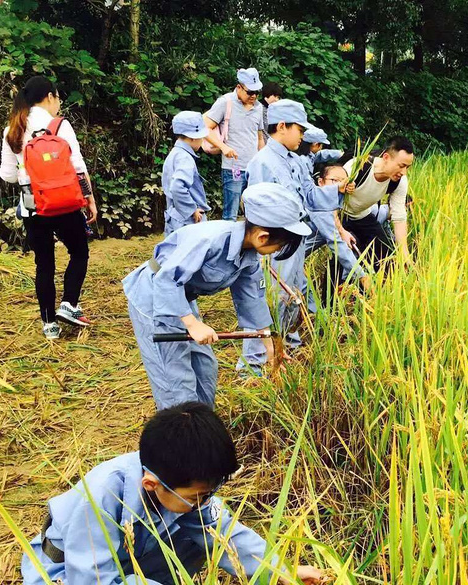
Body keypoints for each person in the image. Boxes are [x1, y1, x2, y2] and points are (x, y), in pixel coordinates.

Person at [20, 401, 325, 584]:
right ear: (151, 484)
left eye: (209, 494)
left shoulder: (180, 479)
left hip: (133, 554)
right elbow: (91, 578)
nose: (204, 503)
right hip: (69, 571)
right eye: (197, 497)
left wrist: (280, 571)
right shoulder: (101, 497)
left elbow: (224, 533)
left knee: (204, 539)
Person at [123, 183, 310, 410]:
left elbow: (252, 299)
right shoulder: (210, 239)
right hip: (154, 296)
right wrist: (192, 323)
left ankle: (202, 425)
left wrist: (271, 348)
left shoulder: (248, 254)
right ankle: (183, 430)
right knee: (175, 378)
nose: (278, 252)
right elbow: (167, 279)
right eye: (279, 246)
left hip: (182, 298)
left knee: (205, 367)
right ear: (263, 237)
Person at [237, 100, 353, 375]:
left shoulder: (296, 161)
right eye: (299, 129)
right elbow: (257, 211)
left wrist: (338, 191)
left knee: (295, 294)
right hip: (275, 243)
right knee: (272, 298)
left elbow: (311, 197)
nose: (302, 136)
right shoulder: (262, 163)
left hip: (296, 238)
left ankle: (288, 347)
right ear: (281, 127)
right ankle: (252, 368)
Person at [0, 76, 98, 340]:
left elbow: (7, 175)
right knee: (79, 253)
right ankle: (69, 304)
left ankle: (49, 325)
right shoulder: (60, 126)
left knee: (44, 264)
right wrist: (89, 200)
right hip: (64, 203)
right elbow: (78, 168)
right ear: (50, 97)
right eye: (58, 98)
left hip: (33, 206)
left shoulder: (12, 129)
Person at [341, 136, 415, 271]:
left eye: (407, 167)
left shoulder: (400, 182)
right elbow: (330, 197)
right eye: (401, 166)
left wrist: (404, 255)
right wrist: (339, 230)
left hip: (361, 216)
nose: (404, 172)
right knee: (343, 256)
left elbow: (399, 217)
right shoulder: (358, 166)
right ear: (386, 157)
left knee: (387, 259)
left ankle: (374, 290)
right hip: (337, 216)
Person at [203, 68, 265, 221]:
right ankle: (228, 243)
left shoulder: (258, 107)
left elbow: (259, 138)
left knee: (255, 213)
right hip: (234, 168)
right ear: (239, 87)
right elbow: (204, 127)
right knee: (231, 214)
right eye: (250, 92)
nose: (254, 96)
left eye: (257, 92)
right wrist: (224, 147)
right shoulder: (226, 102)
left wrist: (263, 161)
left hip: (253, 169)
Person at [304, 164, 369, 306]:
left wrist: (341, 231)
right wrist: (362, 276)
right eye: (334, 180)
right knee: (303, 297)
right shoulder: (320, 208)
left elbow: (333, 217)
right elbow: (336, 243)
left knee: (306, 297)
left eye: (344, 181)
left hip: (293, 257)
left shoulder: (326, 203)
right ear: (320, 182)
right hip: (283, 258)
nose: (340, 185)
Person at [162, 111, 211, 235]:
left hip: (174, 216)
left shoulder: (174, 153)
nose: (202, 140)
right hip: (188, 221)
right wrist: (191, 210)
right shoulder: (184, 158)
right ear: (193, 137)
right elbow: (177, 187)